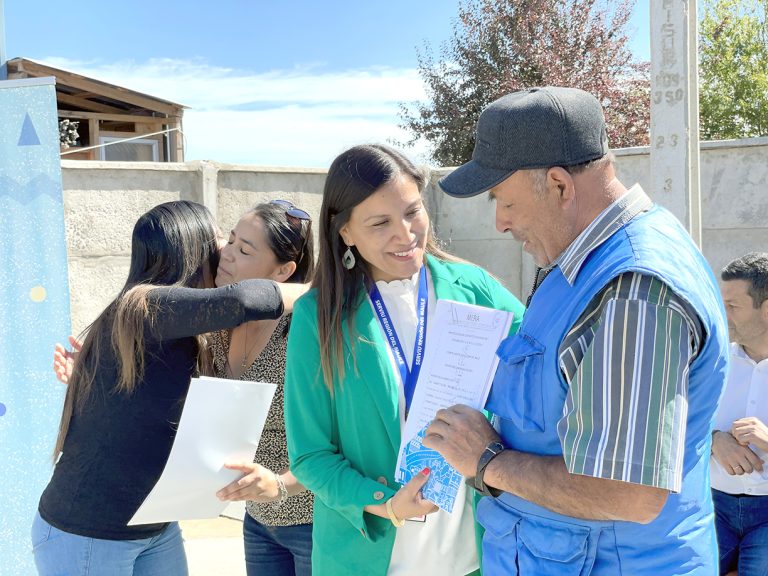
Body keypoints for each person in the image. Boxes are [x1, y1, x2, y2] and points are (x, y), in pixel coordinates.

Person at [425, 87, 730, 575]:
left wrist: (486, 461)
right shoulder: (585, 262)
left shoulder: (633, 290)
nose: (500, 223)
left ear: (560, 185)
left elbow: (630, 492)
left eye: (503, 201)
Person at [283, 143, 525, 576]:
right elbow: (310, 455)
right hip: (368, 557)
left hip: (477, 554)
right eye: (380, 223)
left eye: (413, 212)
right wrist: (386, 504)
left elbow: (538, 368)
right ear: (346, 233)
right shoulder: (318, 317)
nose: (406, 233)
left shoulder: (476, 288)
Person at [34, 200, 305, 576]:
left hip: (153, 528)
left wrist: (89, 374)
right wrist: (328, 289)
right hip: (89, 531)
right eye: (220, 242)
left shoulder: (190, 326)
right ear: (190, 252)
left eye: (237, 246)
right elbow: (244, 299)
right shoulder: (144, 304)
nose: (224, 253)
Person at [212, 200, 316, 576]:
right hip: (257, 519)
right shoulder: (221, 316)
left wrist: (283, 485)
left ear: (285, 270)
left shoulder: (303, 328)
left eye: (244, 250)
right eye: (230, 241)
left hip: (313, 519)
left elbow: (341, 438)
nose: (227, 255)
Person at [712, 252, 768, 576]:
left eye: (733, 306)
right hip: (713, 507)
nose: (724, 314)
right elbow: (676, 428)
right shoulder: (712, 363)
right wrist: (713, 440)